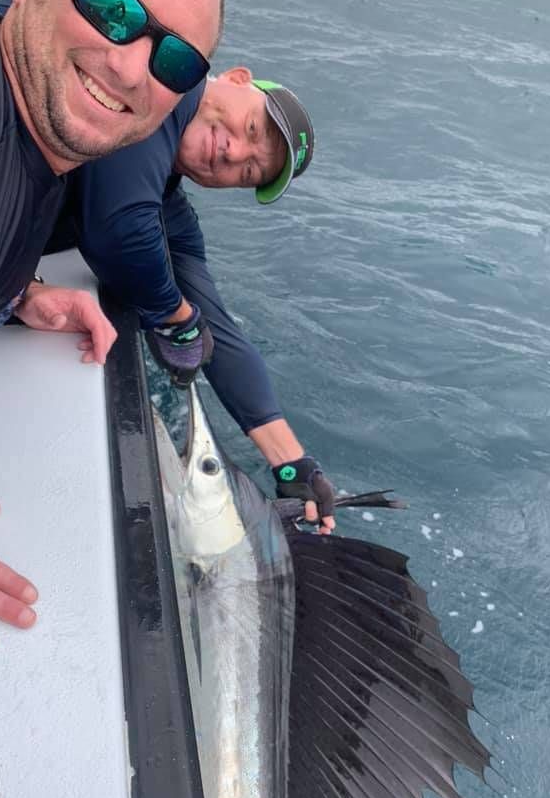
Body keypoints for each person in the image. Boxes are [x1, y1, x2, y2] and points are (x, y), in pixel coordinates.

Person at [0, 0, 223, 634]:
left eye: (175, 61)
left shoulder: (41, 145)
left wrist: (18, 295)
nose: (129, 66)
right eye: (110, 7)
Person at [51, 67, 337, 534]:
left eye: (248, 172)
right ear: (236, 78)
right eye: (252, 129)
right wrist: (174, 316)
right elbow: (117, 231)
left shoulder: (166, 202)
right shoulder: (154, 88)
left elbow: (217, 330)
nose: (234, 153)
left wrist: (293, 463)